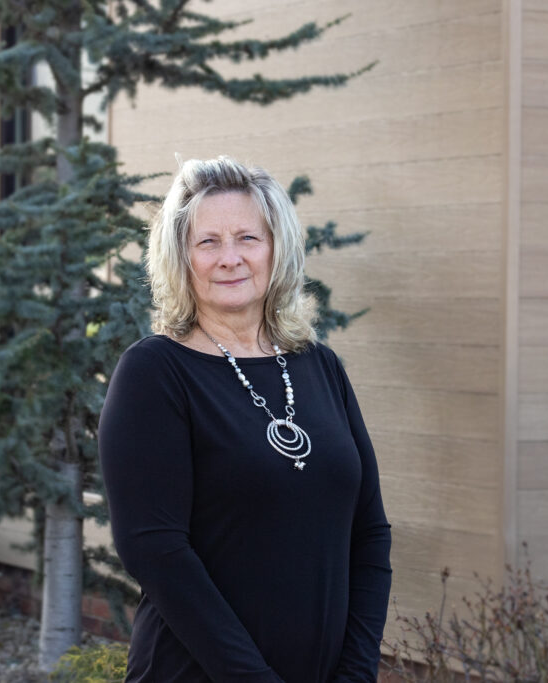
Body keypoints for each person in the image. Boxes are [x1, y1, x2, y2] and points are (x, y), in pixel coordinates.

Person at [98, 155, 392, 682]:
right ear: (180, 259)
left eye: (247, 238)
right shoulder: (154, 373)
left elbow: (369, 534)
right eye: (207, 242)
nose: (229, 258)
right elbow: (155, 549)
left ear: (276, 249)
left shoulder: (320, 366)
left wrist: (357, 671)